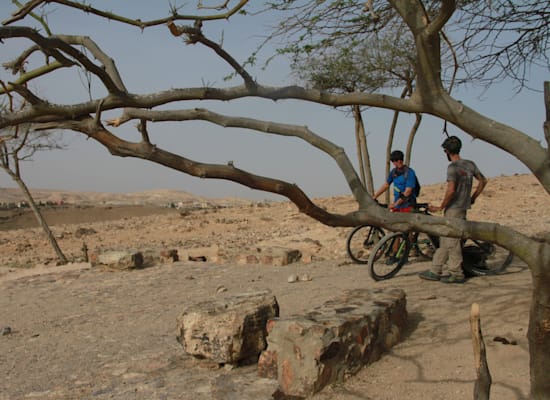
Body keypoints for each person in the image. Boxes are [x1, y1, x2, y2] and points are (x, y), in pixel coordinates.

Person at [419, 136, 487, 284]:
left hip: (453, 209)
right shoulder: (470, 164)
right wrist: (472, 197)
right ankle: (435, 270)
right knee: (444, 240)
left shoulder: (453, 167)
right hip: (463, 207)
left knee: (452, 242)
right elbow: (483, 180)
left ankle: (456, 273)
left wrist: (441, 206)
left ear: (446, 151)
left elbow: (451, 190)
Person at [373, 150, 419, 264]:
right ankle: (395, 254)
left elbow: (408, 191)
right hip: (398, 206)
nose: (394, 164)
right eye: (392, 162)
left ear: (400, 160)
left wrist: (396, 203)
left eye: (395, 161)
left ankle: (406, 255)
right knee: (395, 230)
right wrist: (374, 196)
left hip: (408, 205)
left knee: (407, 231)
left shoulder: (409, 173)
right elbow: (386, 184)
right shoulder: (393, 172)